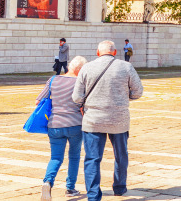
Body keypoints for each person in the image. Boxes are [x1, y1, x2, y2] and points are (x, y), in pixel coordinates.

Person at [73, 40, 143, 201]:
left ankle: (93, 194)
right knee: (121, 155)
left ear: (97, 52)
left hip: (93, 120)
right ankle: (119, 187)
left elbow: (76, 97)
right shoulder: (126, 67)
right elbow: (138, 91)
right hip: (118, 119)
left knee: (92, 158)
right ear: (115, 52)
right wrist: (124, 98)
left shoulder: (87, 67)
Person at [37, 55, 87, 200]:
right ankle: (70, 188)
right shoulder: (80, 83)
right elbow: (83, 103)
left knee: (56, 158)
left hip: (55, 124)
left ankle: (47, 182)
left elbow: (38, 100)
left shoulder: (53, 79)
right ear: (80, 69)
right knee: (74, 156)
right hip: (75, 125)